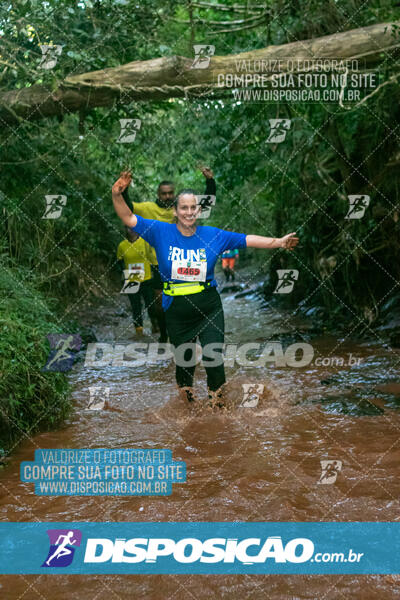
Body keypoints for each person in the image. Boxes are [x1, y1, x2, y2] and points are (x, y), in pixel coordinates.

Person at [112, 170, 299, 409]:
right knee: (185, 367)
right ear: (175, 211)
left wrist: (279, 242)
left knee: (214, 359)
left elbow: (248, 239)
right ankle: (188, 411)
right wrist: (117, 193)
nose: (189, 212)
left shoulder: (213, 235)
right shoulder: (160, 231)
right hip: (177, 312)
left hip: (209, 306)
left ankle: (218, 412)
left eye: (193, 208)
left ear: (198, 211)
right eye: (184, 208)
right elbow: (128, 218)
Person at [122, 168, 216, 343]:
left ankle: (185, 334)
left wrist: (210, 181)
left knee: (185, 299)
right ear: (158, 194)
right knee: (160, 303)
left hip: (181, 261)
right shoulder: (147, 208)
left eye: (170, 193)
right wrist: (124, 188)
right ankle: (165, 334)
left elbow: (207, 203)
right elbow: (127, 207)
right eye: (164, 193)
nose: (167, 196)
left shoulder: (181, 208)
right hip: (157, 263)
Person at [117, 226, 158, 336]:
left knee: (151, 306)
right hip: (130, 280)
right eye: (128, 228)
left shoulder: (145, 242)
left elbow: (154, 260)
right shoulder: (122, 245)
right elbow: (119, 262)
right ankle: (139, 332)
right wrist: (124, 273)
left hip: (147, 280)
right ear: (125, 230)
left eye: (133, 228)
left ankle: (155, 325)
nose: (131, 231)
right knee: (135, 307)